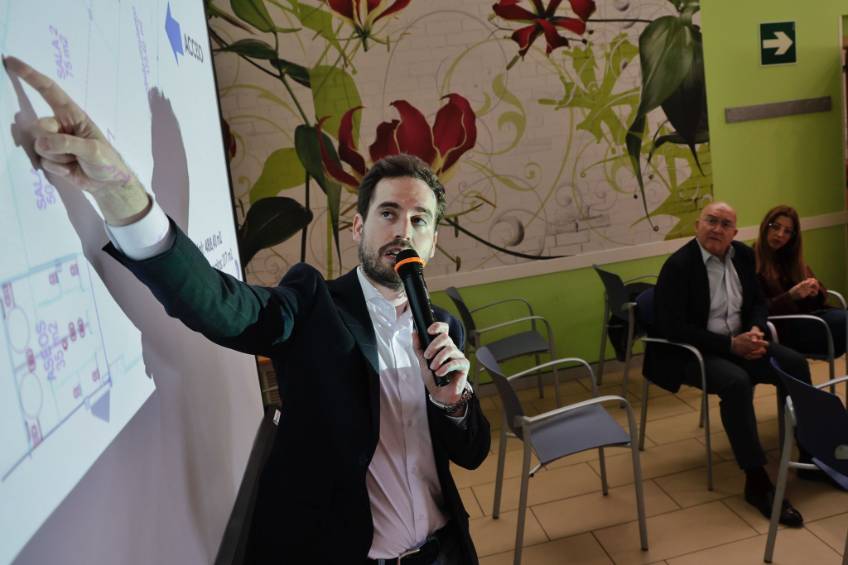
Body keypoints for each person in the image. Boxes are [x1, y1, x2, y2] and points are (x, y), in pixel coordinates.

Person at [2, 56, 490, 564]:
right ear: (357, 227)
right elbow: (221, 306)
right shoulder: (313, 303)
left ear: (433, 243)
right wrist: (122, 195)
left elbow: (472, 452)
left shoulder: (444, 328)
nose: (403, 231)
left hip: (444, 553)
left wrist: (452, 403)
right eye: (388, 213)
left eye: (420, 220)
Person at [643, 201, 812, 527]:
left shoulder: (744, 256)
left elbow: (758, 303)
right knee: (736, 383)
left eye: (725, 224)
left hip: (741, 342)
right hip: (694, 352)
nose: (717, 229)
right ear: (697, 225)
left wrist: (756, 331)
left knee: (794, 363)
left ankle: (810, 451)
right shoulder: (679, 266)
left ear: (734, 233)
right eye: (711, 221)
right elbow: (672, 328)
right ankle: (756, 481)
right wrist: (730, 345)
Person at [754, 205, 847, 358]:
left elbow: (820, 301)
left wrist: (814, 291)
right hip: (781, 328)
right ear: (765, 226)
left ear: (793, 237)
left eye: (787, 231)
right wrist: (790, 296)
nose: (780, 234)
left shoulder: (791, 259)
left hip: (808, 319)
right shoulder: (751, 261)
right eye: (775, 227)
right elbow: (758, 309)